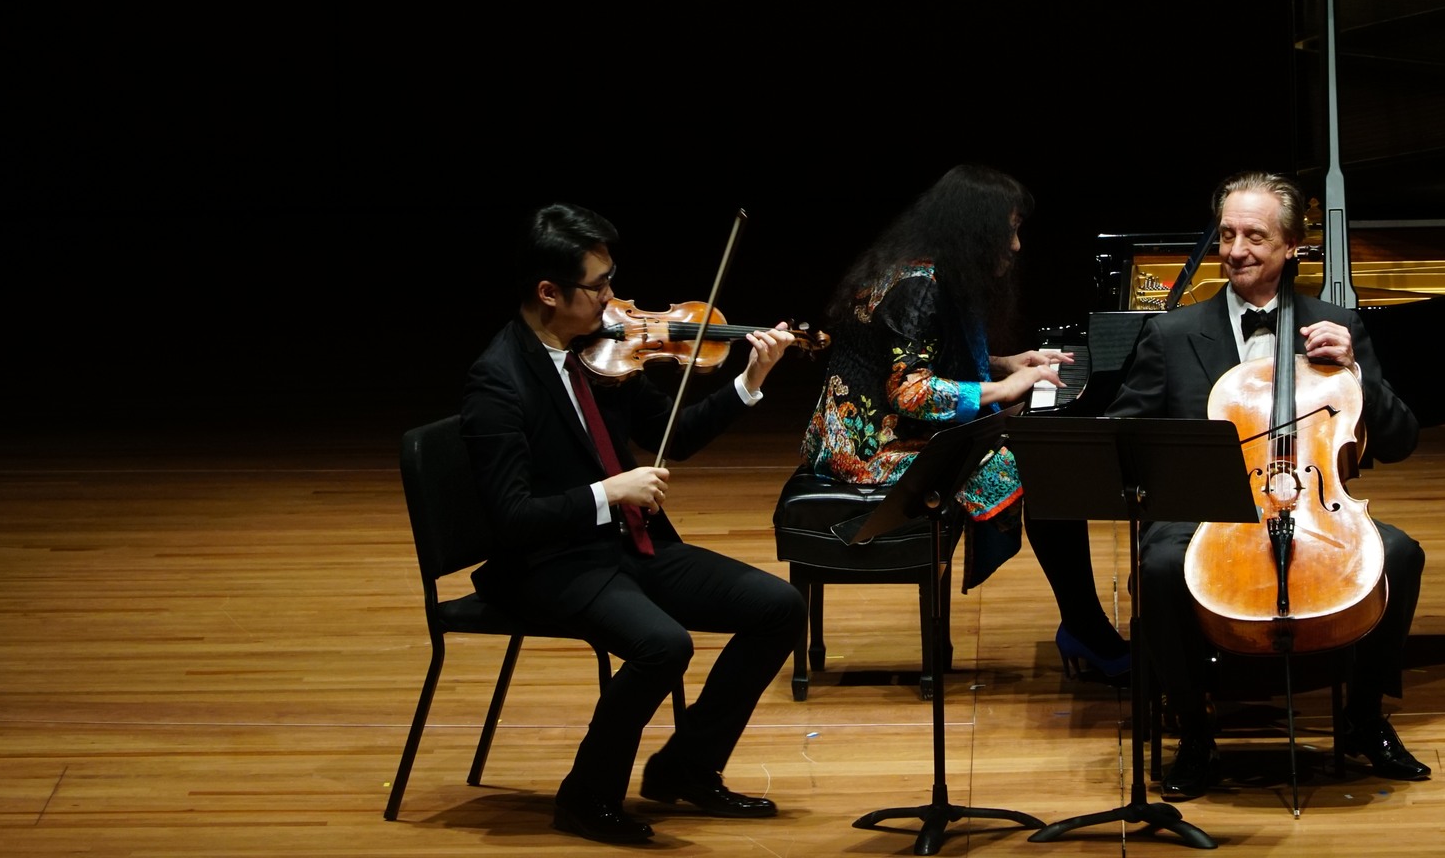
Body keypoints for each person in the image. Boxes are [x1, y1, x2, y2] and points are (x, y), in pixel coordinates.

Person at [462, 202, 808, 846]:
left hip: (629, 547)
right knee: (664, 644)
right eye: (599, 286)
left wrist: (748, 381)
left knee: (779, 606)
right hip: (550, 565)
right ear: (548, 292)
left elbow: (671, 437)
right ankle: (586, 796)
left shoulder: (603, 355)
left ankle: (685, 767)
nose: (615, 300)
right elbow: (509, 519)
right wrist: (608, 491)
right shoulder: (498, 382)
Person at [1104, 170, 1430, 800]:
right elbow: (1127, 435)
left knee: (1400, 553)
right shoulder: (1170, 335)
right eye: (1226, 234)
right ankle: (1195, 734)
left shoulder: (1336, 326)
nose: (1235, 250)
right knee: (1163, 567)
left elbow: (1400, 440)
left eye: (1254, 235)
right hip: (1207, 514)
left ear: (1291, 248)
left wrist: (1357, 370)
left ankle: (1364, 718)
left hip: (1314, 504)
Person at [798, 163, 1132, 680]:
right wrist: (1001, 389)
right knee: (1044, 472)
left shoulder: (928, 269)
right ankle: (1085, 628)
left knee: (1045, 465)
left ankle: (1083, 625)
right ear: (976, 230)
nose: (1017, 244)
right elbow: (910, 390)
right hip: (866, 446)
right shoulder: (917, 284)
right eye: (1011, 228)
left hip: (889, 428)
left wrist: (1005, 364)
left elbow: (921, 361)